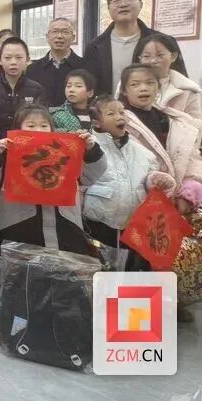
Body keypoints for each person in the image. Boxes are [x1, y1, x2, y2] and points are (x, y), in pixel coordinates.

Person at [0, 105, 106, 254]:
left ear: (52, 129)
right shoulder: (7, 152)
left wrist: (91, 150)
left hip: (65, 225)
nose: (38, 130)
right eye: (31, 125)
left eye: (44, 125)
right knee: (22, 266)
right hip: (19, 226)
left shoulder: (66, 151)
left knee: (63, 266)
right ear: (18, 129)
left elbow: (90, 176)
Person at [82, 96, 174, 271]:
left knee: (129, 271)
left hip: (133, 226)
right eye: (111, 113)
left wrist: (155, 180)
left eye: (122, 112)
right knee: (100, 271)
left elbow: (148, 180)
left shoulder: (143, 153)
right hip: (97, 223)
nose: (119, 116)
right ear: (96, 122)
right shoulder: (88, 148)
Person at [120, 64, 202, 216]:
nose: (143, 88)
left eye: (149, 83)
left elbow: (191, 156)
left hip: (180, 202)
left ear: (158, 88)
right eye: (135, 84)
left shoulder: (175, 120)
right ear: (124, 90)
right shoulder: (120, 123)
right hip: (140, 203)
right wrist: (154, 181)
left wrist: (191, 187)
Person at [84, 0, 155, 96]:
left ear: (141, 4)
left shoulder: (160, 42)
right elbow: (89, 88)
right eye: (116, 1)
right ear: (108, 8)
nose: (123, 4)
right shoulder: (94, 47)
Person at [0, 37, 46, 135]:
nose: (13, 62)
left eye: (19, 57)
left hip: (27, 141)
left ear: (27, 59)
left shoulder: (37, 89)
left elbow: (42, 122)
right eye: (7, 58)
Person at [133, 32, 201, 118]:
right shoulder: (127, 84)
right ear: (139, 59)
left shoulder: (189, 89)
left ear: (173, 57)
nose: (153, 61)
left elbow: (196, 124)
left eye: (160, 55)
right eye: (146, 56)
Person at [26, 17, 86, 107]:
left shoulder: (84, 67)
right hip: (41, 115)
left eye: (65, 32)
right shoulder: (33, 69)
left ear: (73, 37)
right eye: (55, 32)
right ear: (47, 37)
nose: (59, 36)